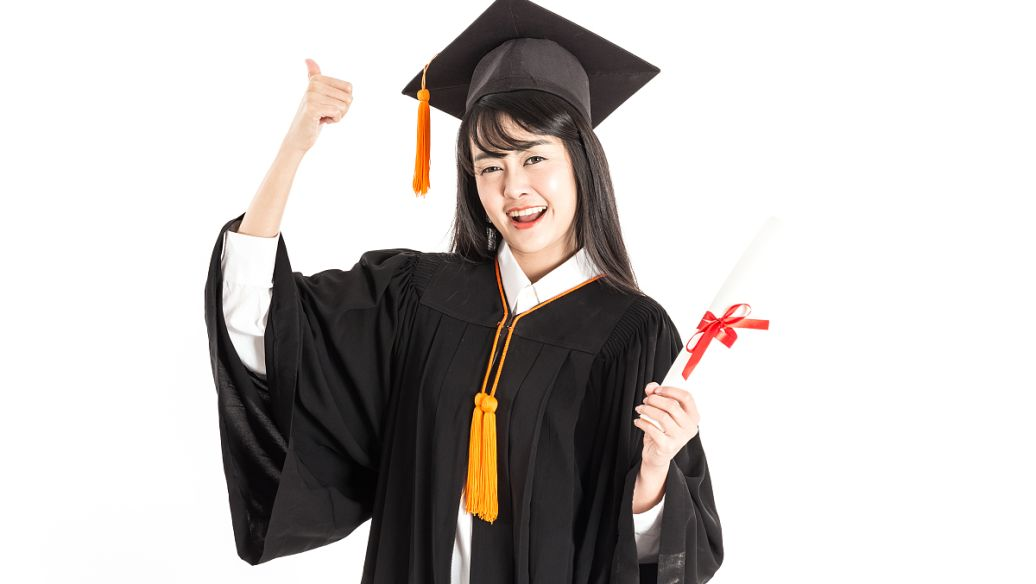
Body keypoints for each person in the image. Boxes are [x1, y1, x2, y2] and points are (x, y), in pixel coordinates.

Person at [203, 0, 723, 582]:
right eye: (489, 166)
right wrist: (293, 149)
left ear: (581, 162)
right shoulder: (415, 299)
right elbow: (260, 323)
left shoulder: (631, 335)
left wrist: (655, 472)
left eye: (535, 157)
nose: (514, 187)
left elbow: (655, 562)